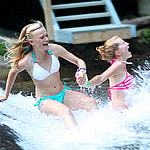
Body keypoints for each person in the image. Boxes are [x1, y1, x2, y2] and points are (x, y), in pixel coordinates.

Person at [0, 20, 97, 129]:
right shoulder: (27, 61)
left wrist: (82, 70)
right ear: (31, 42)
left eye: (46, 35)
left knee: (91, 102)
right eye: (41, 38)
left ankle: (98, 132)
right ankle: (79, 141)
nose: (46, 39)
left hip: (63, 93)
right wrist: (6, 95)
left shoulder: (55, 49)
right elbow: (12, 72)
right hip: (45, 100)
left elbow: (78, 61)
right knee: (66, 112)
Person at [77, 36, 134, 111]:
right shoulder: (118, 65)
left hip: (126, 114)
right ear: (118, 52)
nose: (127, 44)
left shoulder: (121, 66)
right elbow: (101, 77)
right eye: (123, 43)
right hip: (122, 114)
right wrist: (86, 83)